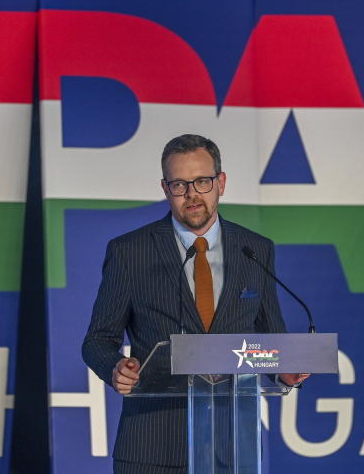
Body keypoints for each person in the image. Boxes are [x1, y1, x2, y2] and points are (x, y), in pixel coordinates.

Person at [82, 134, 309, 474]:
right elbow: (97, 341)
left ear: (221, 183)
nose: (192, 195)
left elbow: (272, 340)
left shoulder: (255, 249)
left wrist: (286, 372)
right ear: (165, 189)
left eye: (202, 182)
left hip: (233, 450)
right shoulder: (130, 252)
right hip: (151, 448)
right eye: (179, 185)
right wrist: (115, 369)